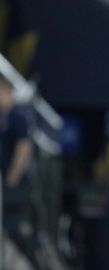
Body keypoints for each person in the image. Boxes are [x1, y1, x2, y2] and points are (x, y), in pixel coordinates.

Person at [0, 75, 34, 261]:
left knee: (14, 230)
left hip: (14, 186)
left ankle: (30, 259)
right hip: (4, 185)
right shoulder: (3, 116)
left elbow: (23, 149)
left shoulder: (18, 116)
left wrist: (11, 181)